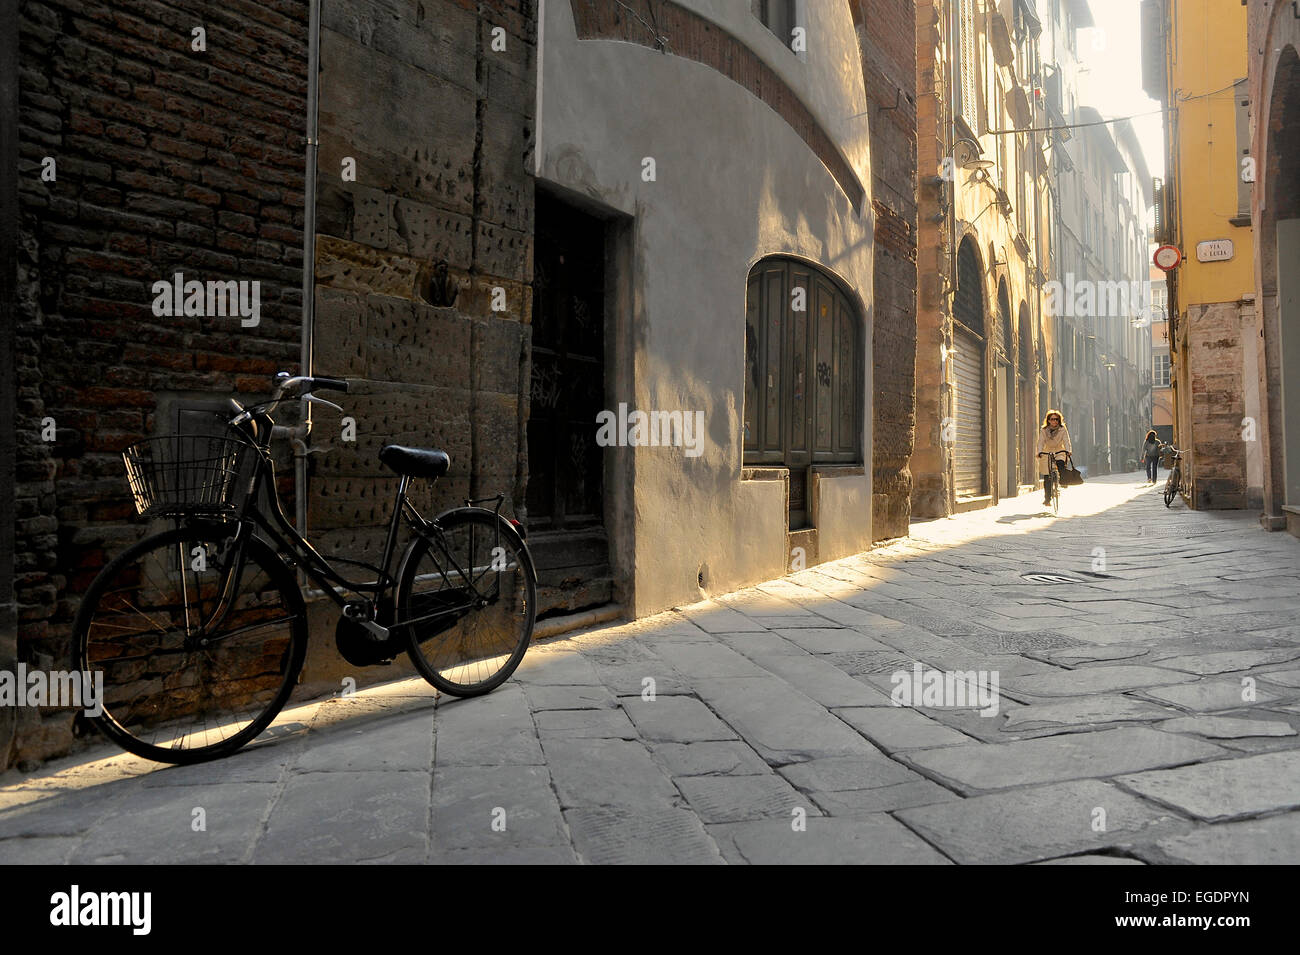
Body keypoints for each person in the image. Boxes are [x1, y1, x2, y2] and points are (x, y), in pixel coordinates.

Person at [1036, 410, 1072, 506]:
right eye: (1052, 419)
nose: (1054, 421)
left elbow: (1066, 441)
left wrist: (1068, 450)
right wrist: (1039, 452)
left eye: (1056, 419)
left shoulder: (1062, 429)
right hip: (1047, 451)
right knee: (1047, 476)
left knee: (1060, 463)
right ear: (1048, 420)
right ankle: (1047, 499)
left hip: (1059, 450)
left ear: (1059, 420)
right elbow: (1040, 442)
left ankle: (1063, 480)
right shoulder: (1044, 430)